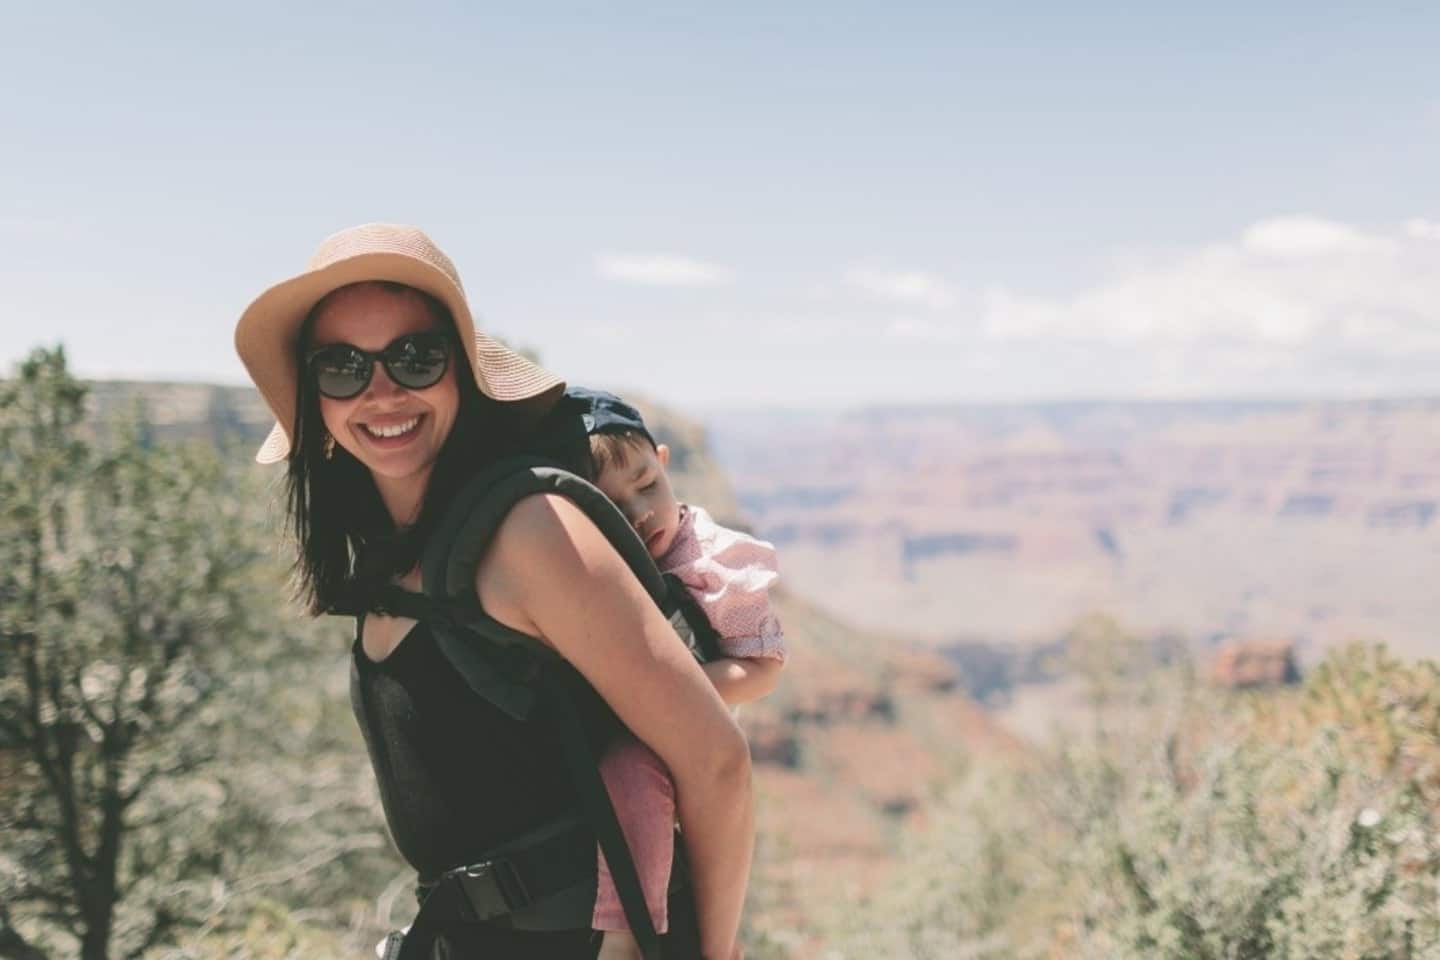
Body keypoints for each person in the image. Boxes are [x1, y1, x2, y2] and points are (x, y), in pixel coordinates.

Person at [233, 223, 753, 959]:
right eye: (343, 366)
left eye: (415, 357)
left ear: (462, 373)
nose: (382, 392)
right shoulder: (393, 558)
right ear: (315, 393)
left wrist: (717, 955)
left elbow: (716, 761)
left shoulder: (528, 532)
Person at [568, 389, 785, 960]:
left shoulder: (710, 559)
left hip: (689, 735)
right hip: (626, 724)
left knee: (631, 770)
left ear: (664, 463)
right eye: (612, 508)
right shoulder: (584, 566)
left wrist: (673, 693)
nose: (639, 515)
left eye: (647, 487)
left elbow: (763, 668)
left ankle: (628, 939)